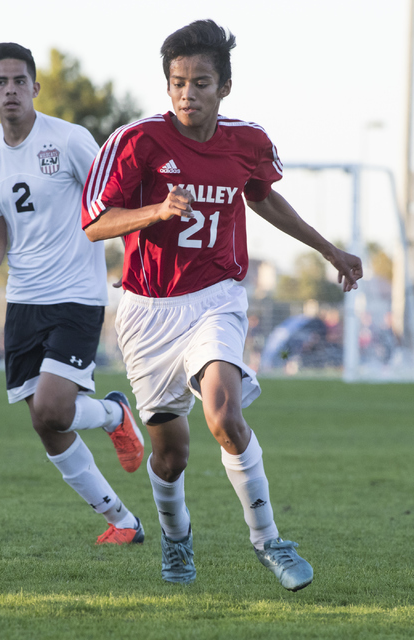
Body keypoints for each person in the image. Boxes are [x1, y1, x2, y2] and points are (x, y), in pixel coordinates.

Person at [82, 20, 363, 588]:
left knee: (223, 416)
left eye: (201, 83)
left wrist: (329, 249)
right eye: (178, 82)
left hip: (217, 298)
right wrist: (156, 212)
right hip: (147, 311)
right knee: (170, 456)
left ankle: (269, 541)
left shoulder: (248, 142)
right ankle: (177, 537)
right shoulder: (137, 141)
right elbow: (94, 223)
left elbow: (264, 198)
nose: (188, 94)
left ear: (224, 87)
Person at [0, 42, 145, 545]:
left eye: (20, 81)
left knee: (53, 409)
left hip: (77, 296)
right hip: (22, 301)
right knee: (46, 425)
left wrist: (134, 260)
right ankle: (122, 521)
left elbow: (116, 204)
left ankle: (112, 413)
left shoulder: (69, 140)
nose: (11, 90)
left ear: (36, 87)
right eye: (1, 82)